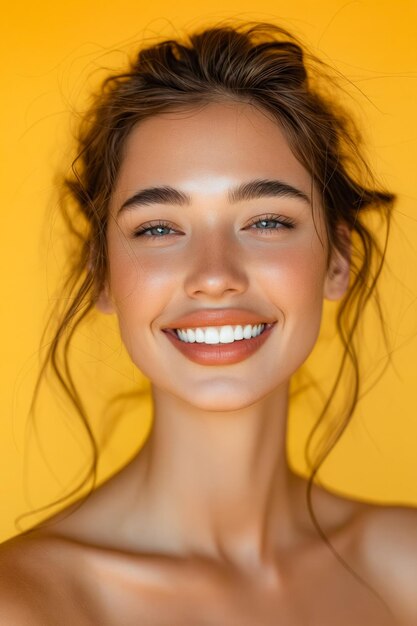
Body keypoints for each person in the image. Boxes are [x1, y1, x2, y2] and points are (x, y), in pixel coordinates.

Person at [0, 21, 416, 625]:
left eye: (267, 221)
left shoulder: (404, 567)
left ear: (337, 260)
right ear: (102, 274)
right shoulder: (26, 604)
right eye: (159, 228)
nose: (215, 274)